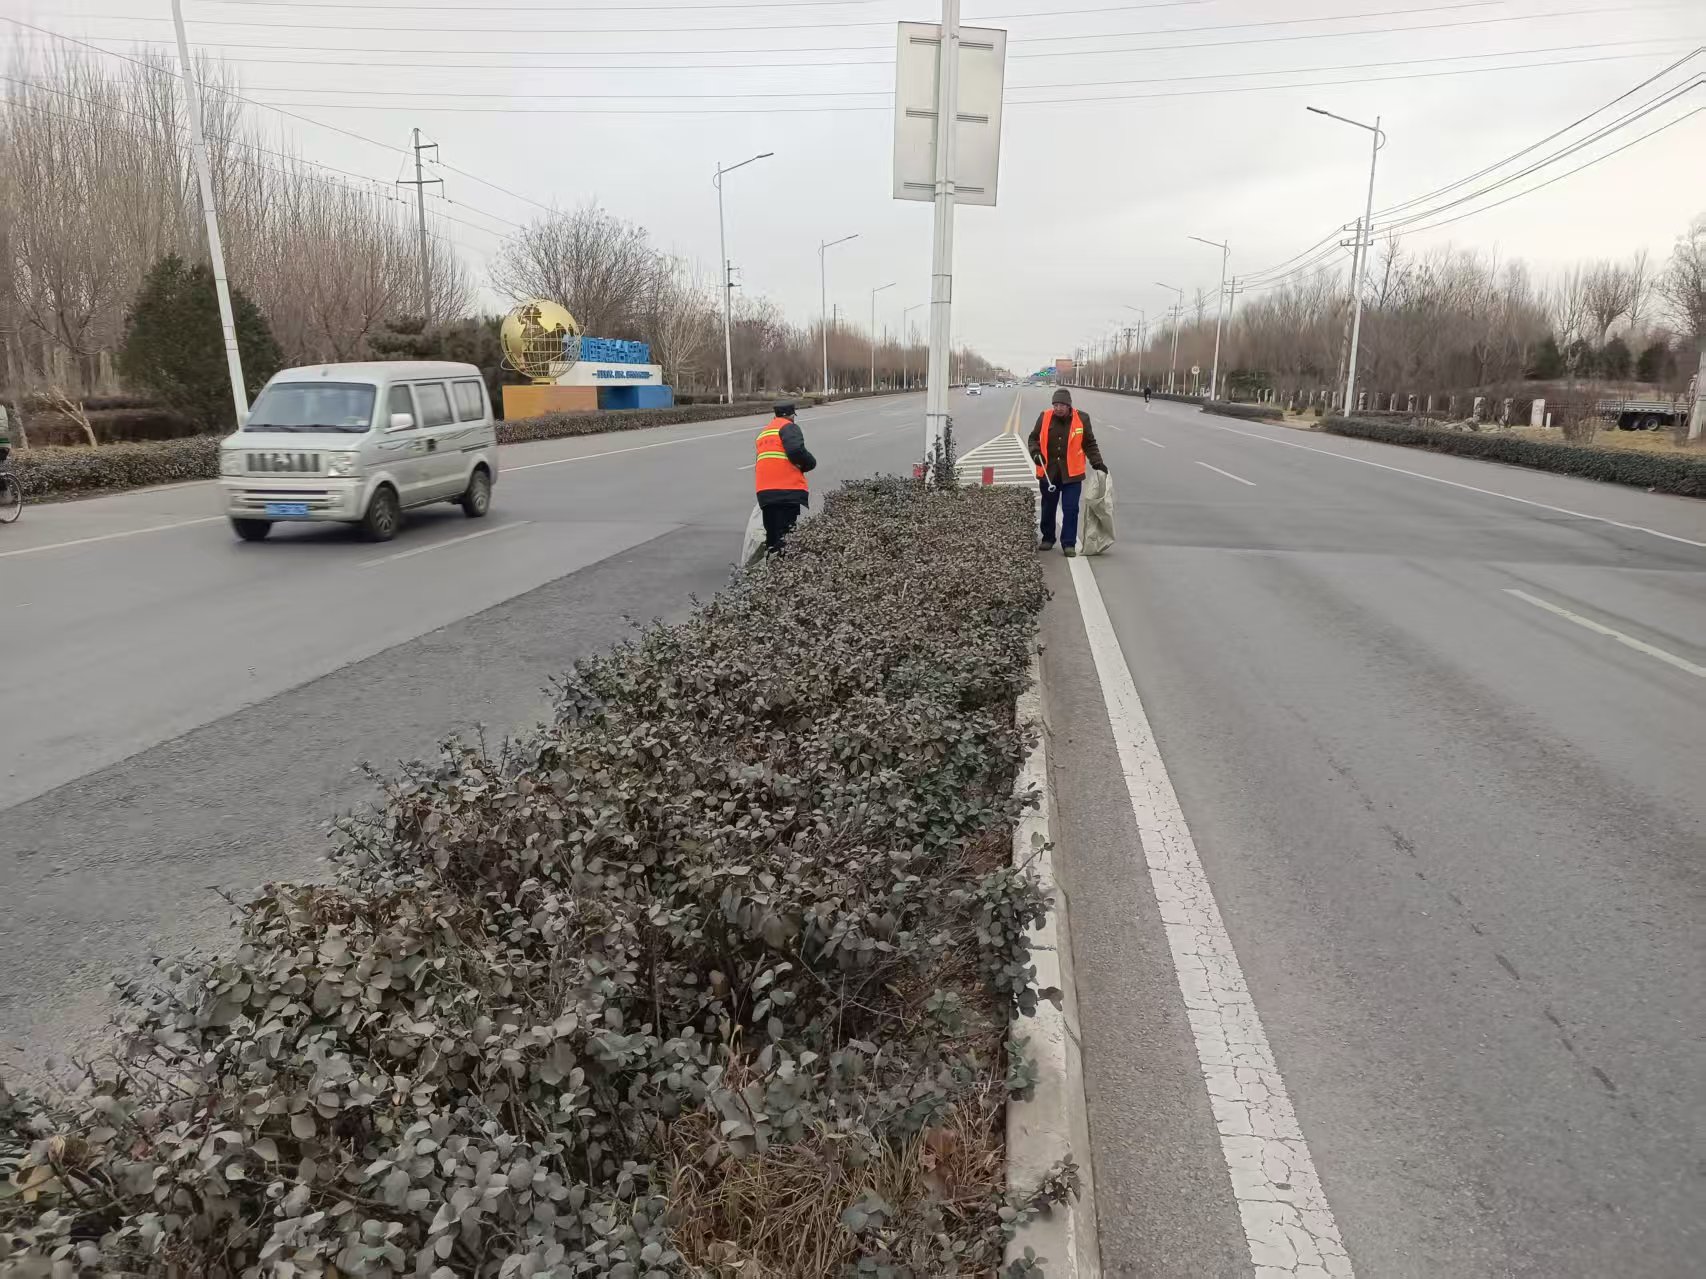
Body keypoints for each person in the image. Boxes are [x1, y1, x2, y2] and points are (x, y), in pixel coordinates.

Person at [1027, 388, 1107, 557]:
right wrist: (1035, 453)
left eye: (1062, 405)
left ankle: (1068, 543)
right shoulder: (1044, 417)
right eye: (1055, 405)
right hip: (1049, 473)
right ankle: (1048, 538)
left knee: (1071, 509)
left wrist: (1097, 463)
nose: (1058, 408)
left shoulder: (1082, 418)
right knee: (1048, 507)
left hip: (1072, 474)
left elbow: (1089, 444)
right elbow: (1033, 438)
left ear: (1069, 405)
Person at [755, 401, 817, 554]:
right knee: (786, 536)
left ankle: (772, 565)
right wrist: (809, 464)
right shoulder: (788, 427)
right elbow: (796, 450)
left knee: (772, 537)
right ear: (791, 415)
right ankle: (784, 564)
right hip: (786, 490)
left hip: (765, 492)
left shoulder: (764, 433)